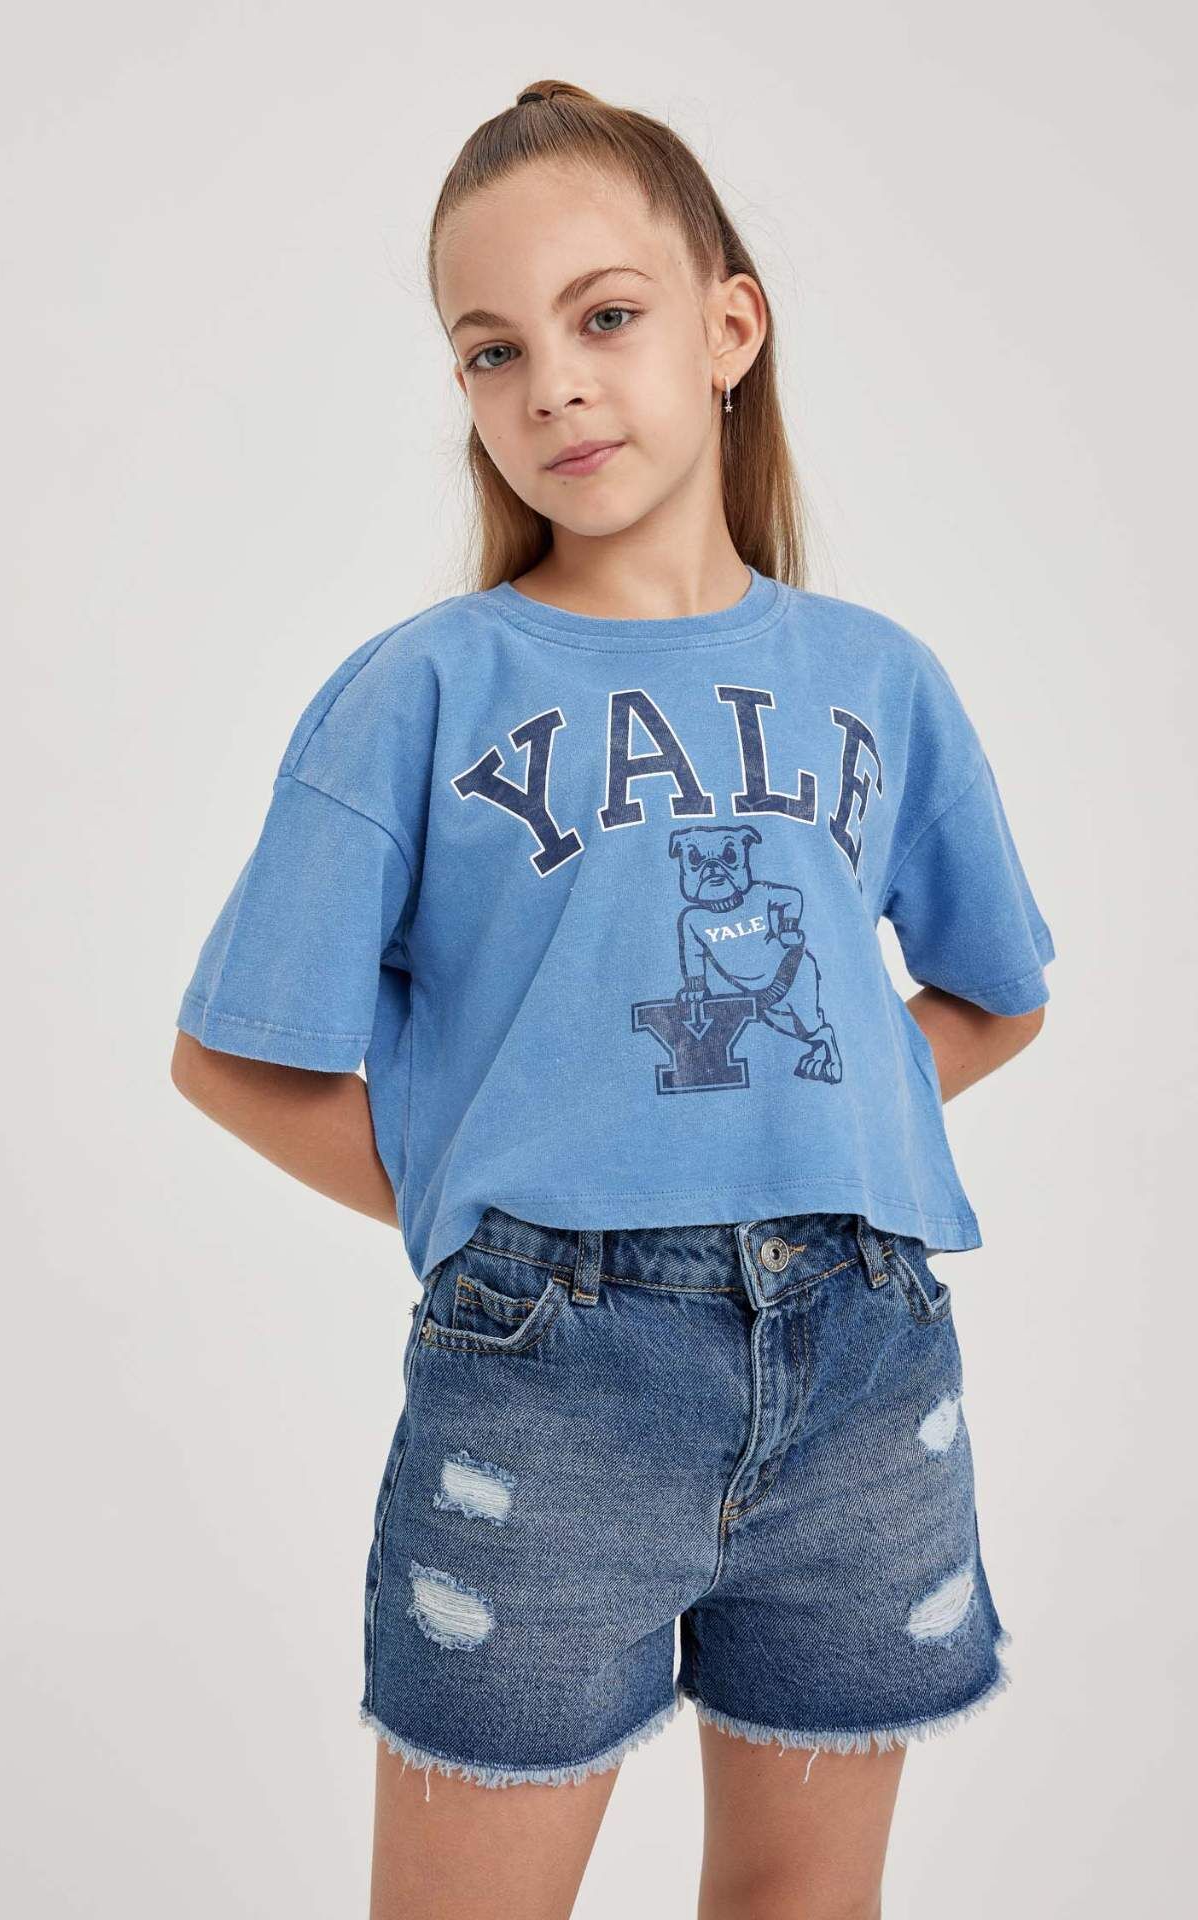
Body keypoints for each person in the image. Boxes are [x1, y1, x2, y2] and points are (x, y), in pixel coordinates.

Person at [170, 77, 1056, 1920]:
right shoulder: (423, 688)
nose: (552, 386)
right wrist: (500, 1195)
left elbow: (995, 995)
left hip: (866, 1357)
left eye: (607, 317)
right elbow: (234, 1060)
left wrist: (807, 1107)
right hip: (551, 1374)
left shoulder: (877, 678)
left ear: (730, 329)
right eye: (492, 350)